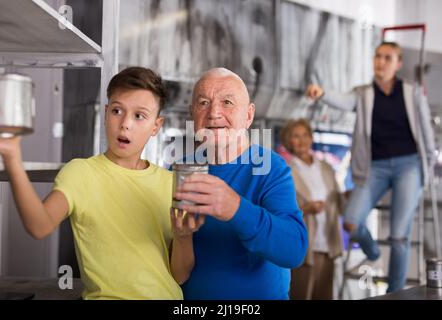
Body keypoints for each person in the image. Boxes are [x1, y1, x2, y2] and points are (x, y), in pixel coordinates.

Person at [0, 67, 203, 299]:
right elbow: (39, 225)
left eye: (139, 115)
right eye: (117, 111)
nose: (125, 124)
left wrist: (184, 236)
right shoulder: (81, 173)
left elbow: (180, 276)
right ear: (105, 114)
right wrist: (12, 156)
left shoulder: (170, 182)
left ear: (156, 126)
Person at [306, 42, 436, 293]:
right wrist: (321, 93)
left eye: (388, 58)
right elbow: (343, 101)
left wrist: (426, 168)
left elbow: (427, 133)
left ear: (397, 64)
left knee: (399, 236)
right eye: (377, 56)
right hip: (374, 167)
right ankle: (373, 251)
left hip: (409, 165)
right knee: (352, 221)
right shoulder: (363, 93)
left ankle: (395, 292)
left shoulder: (411, 91)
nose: (381, 62)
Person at [173, 67, 308, 300]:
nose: (214, 113)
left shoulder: (271, 168)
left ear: (248, 115)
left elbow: (294, 251)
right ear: (192, 112)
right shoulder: (179, 172)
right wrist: (182, 236)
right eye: (203, 102)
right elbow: (172, 268)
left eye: (227, 102)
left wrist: (235, 208)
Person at [280, 119, 344, 300]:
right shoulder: (285, 170)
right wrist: (305, 209)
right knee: (301, 295)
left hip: (328, 243)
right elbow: (280, 212)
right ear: (288, 141)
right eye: (295, 136)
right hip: (304, 245)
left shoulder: (326, 168)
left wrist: (353, 195)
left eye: (305, 135)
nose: (301, 140)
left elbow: (338, 202)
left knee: (325, 296)